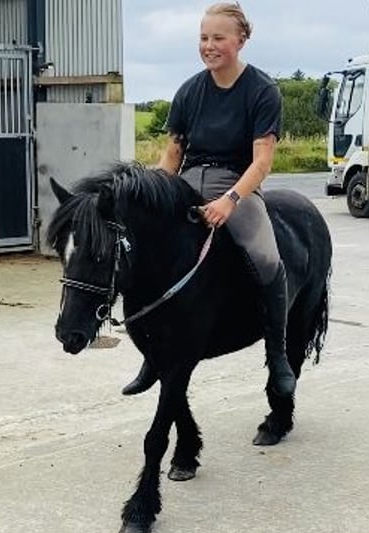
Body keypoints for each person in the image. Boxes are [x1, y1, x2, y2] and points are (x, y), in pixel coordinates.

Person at [122, 2, 296, 397]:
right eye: (203, 38)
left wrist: (230, 201)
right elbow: (172, 155)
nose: (209, 45)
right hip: (186, 181)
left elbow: (262, 161)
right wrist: (150, 194)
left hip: (237, 182)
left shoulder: (262, 90)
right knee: (148, 250)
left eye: (218, 38)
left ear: (241, 39)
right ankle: (153, 352)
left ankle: (279, 354)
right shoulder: (189, 91)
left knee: (266, 256)